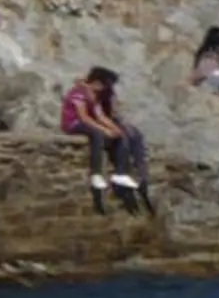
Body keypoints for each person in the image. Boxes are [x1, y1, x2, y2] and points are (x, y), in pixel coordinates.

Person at [60, 66, 151, 208]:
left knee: (121, 135)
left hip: (89, 122)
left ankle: (122, 173)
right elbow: (84, 118)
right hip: (74, 123)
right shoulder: (78, 93)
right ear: (97, 82)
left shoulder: (93, 95)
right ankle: (96, 173)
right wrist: (104, 130)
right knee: (98, 134)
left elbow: (100, 115)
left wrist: (114, 129)